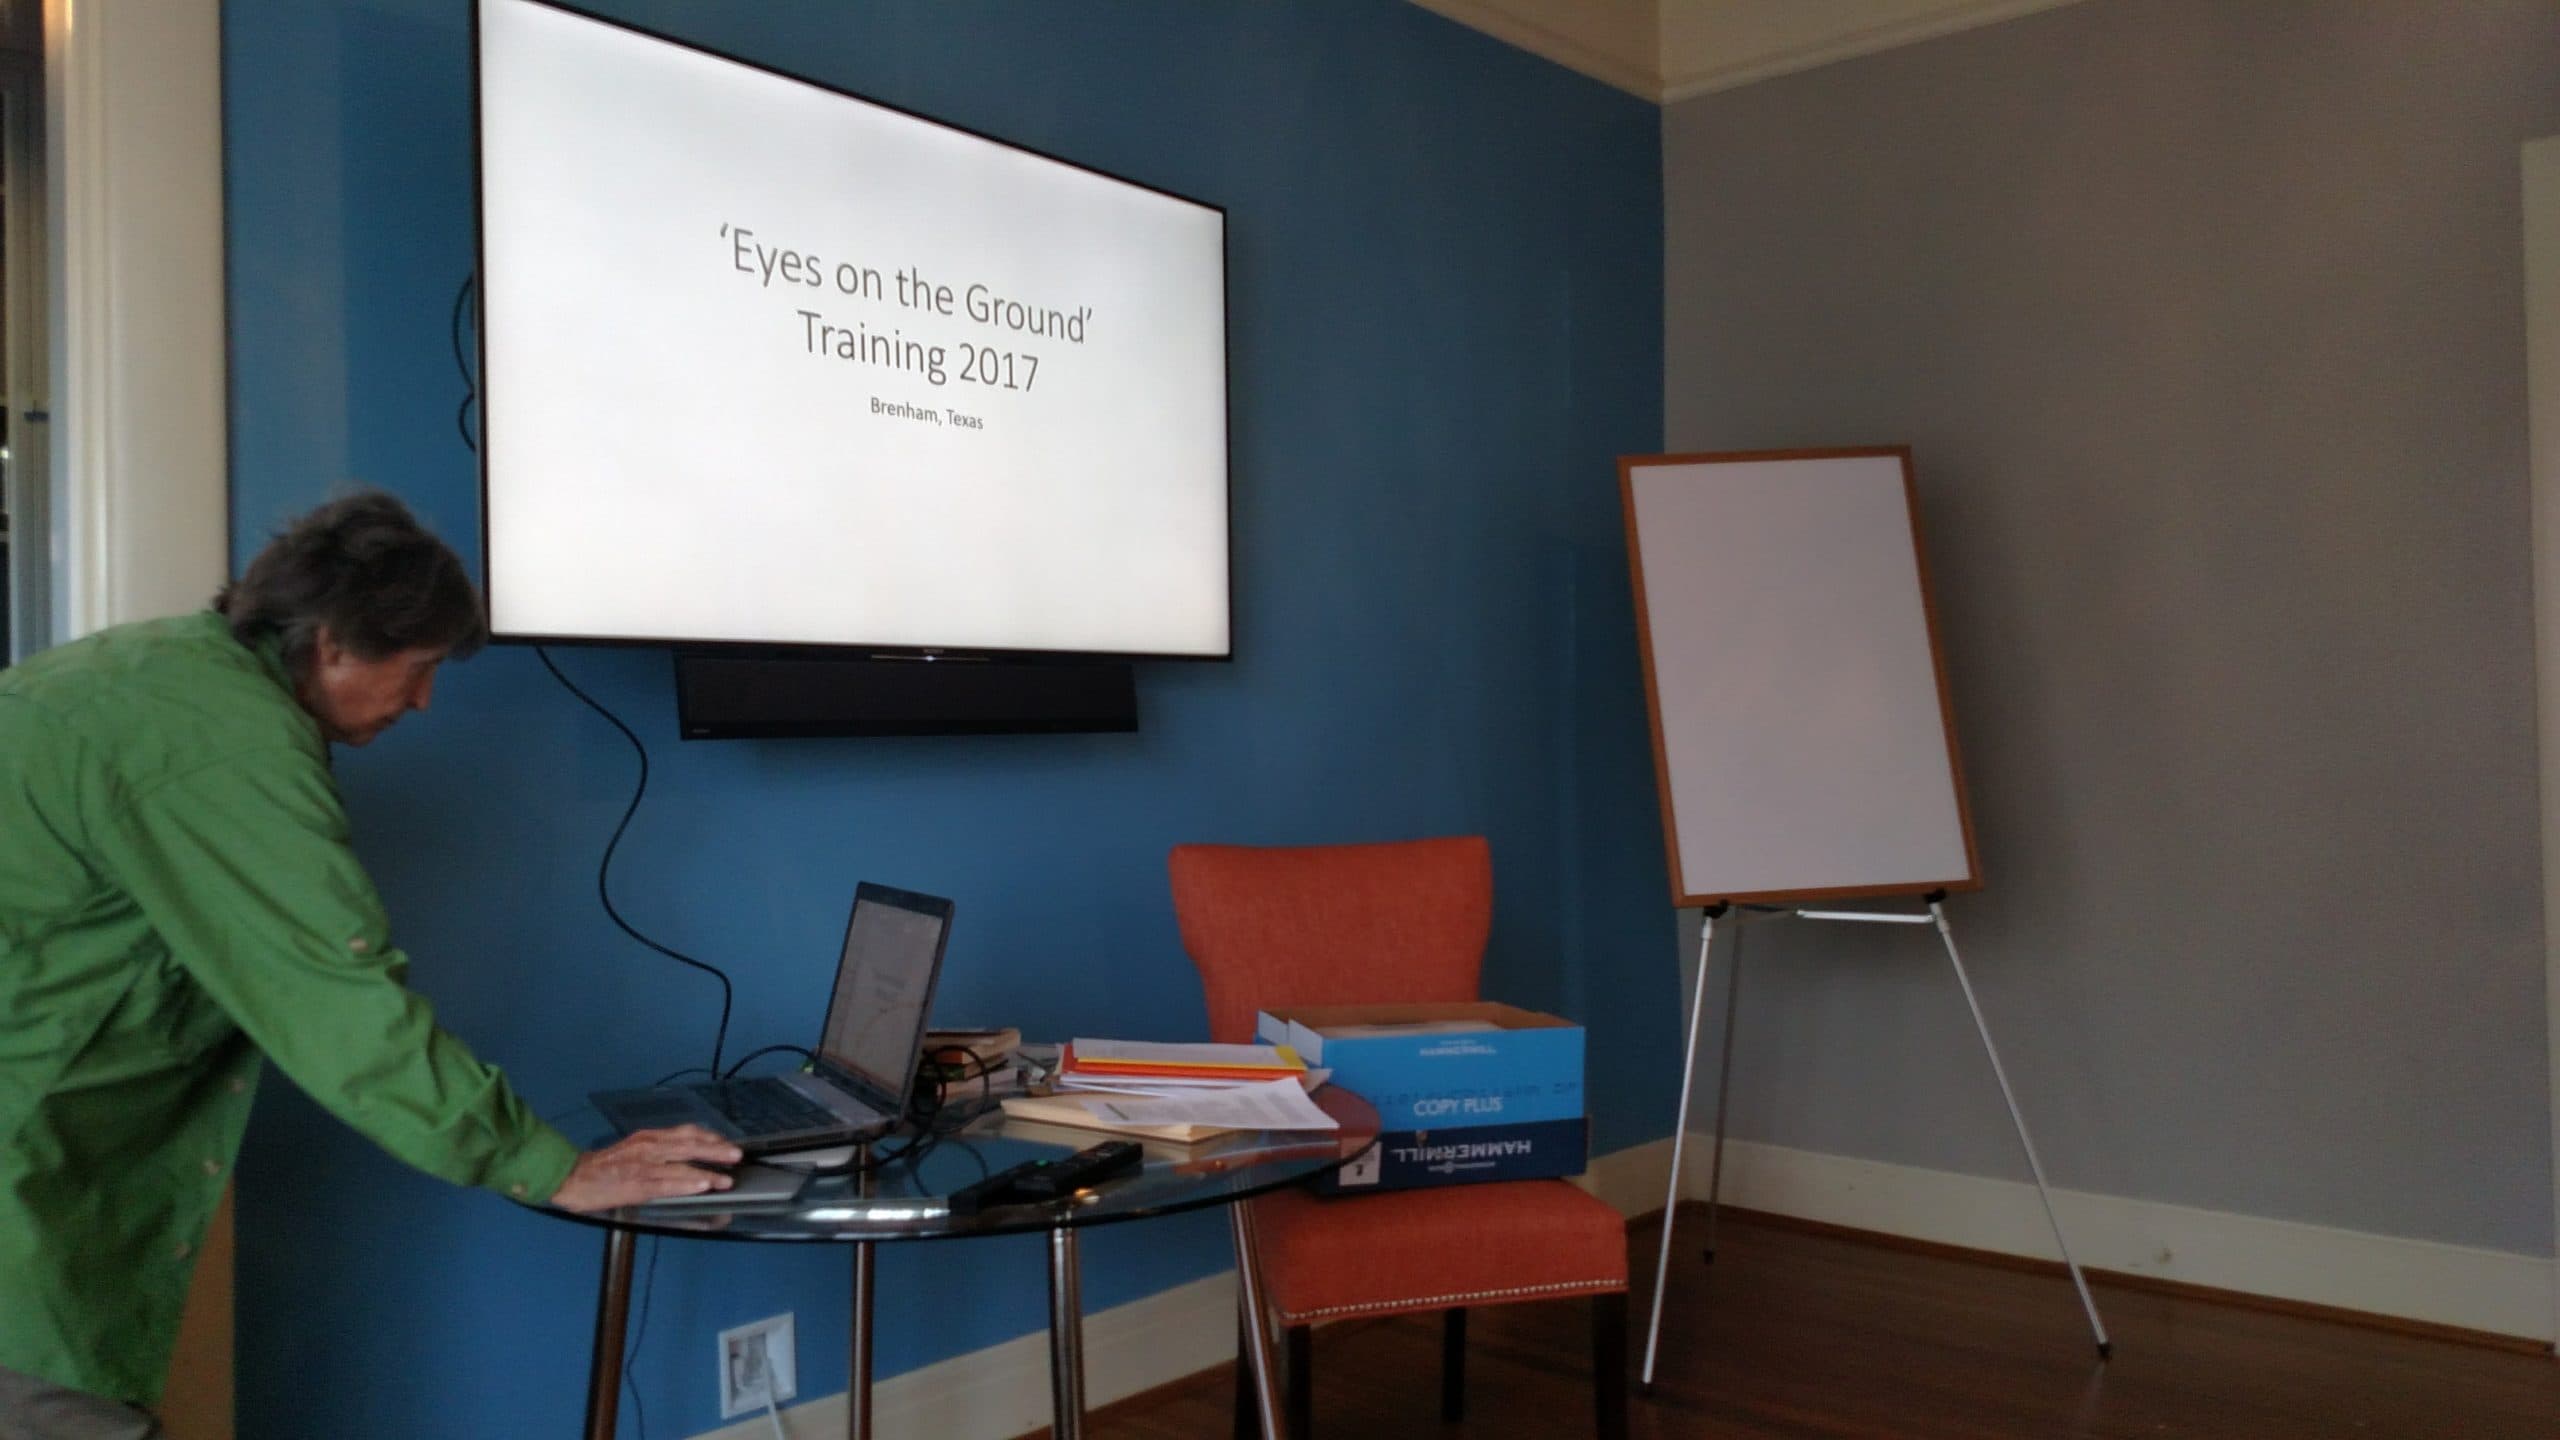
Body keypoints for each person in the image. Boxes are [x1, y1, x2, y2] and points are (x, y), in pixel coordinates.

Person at [0, 491, 740, 1438]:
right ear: (334, 644)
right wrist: (547, 1167)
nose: (425, 700)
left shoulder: (158, 674)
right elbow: (336, 1001)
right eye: (419, 667)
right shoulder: (223, 742)